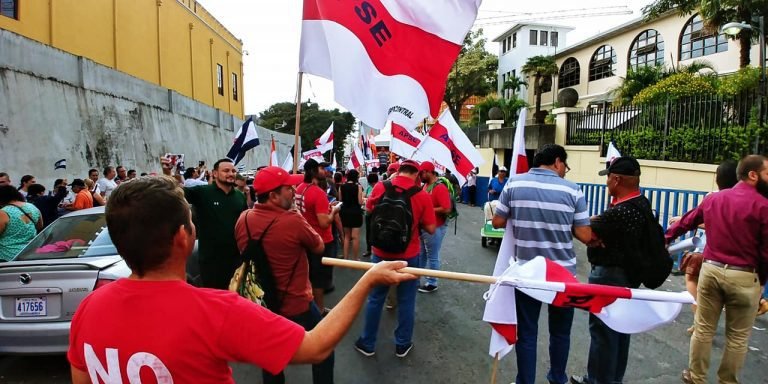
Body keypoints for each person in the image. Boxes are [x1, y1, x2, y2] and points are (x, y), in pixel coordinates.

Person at [67, 176, 416, 384]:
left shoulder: (89, 308)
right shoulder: (213, 311)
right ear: (182, 238)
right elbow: (316, 346)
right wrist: (368, 279)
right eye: (191, 221)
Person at [491, 144, 592, 384]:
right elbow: (585, 235)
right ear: (557, 162)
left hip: (527, 274)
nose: (565, 171)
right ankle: (557, 378)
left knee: (527, 333)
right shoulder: (573, 190)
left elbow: (497, 221)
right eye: (565, 166)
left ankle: (525, 380)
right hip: (562, 276)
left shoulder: (514, 183)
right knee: (560, 333)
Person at [666, 154, 768, 384]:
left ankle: (696, 377)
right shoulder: (764, 206)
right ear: (753, 175)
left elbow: (687, 221)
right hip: (744, 276)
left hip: (711, 270)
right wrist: (760, 281)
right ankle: (727, 381)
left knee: (703, 329)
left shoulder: (714, 199)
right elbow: (765, 252)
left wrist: (666, 238)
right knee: (738, 337)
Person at [235, 166, 332, 384]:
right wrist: (298, 215)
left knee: (271, 359)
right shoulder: (293, 221)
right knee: (324, 348)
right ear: (273, 196)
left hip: (260, 304)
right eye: (288, 188)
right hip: (297, 304)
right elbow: (318, 247)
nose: (294, 191)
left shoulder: (244, 219)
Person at [570, 157, 649, 384]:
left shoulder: (622, 211)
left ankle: (597, 380)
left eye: (608, 179)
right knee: (621, 329)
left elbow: (584, 230)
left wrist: (587, 227)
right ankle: (611, 379)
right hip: (626, 276)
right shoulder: (641, 204)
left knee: (603, 331)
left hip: (609, 277)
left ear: (617, 179)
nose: (606, 184)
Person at [355, 159, 437, 359]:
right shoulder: (422, 195)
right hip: (409, 256)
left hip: (380, 253)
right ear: (417, 174)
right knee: (407, 301)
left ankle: (367, 343)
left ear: (398, 171)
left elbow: (369, 210)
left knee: (375, 298)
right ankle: (402, 345)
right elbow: (431, 229)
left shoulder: (381, 187)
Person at [671, 159, 739, 335]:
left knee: (692, 280)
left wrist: (678, 223)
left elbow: (700, 221)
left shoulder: (712, 197)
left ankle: (700, 319)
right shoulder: (749, 201)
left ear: (718, 178)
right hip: (737, 260)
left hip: (707, 252)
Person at [163, 157, 247, 290]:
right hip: (210, 261)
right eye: (226, 170)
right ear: (214, 173)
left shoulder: (240, 196)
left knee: (234, 297)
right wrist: (168, 173)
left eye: (233, 171)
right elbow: (176, 193)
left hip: (235, 260)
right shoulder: (203, 192)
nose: (231, 174)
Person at [295, 159, 341, 313]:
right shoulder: (318, 193)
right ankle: (319, 310)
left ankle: (310, 307)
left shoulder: (300, 188)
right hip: (321, 241)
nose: (325, 170)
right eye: (322, 168)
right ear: (314, 171)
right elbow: (324, 222)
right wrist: (333, 212)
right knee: (319, 280)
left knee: (309, 276)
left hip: (306, 238)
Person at [417, 161, 452, 293]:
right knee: (422, 254)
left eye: (422, 173)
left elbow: (446, 208)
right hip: (425, 226)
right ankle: (416, 278)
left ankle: (432, 282)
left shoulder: (439, 187)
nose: (420, 175)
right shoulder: (425, 185)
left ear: (428, 172)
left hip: (436, 226)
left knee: (432, 255)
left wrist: (427, 210)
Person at [0, 185, 43, 261]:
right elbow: (40, 226)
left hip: (8, 256)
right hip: (30, 253)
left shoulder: (3, 212)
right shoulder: (32, 207)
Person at [339, 169, 364, 261]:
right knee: (355, 237)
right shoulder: (358, 187)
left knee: (347, 236)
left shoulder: (342, 186)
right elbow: (360, 202)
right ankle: (355, 258)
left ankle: (345, 257)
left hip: (345, 211)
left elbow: (341, 199)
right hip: (355, 212)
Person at [362, 172, 379, 258]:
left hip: (376, 214)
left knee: (375, 232)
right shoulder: (369, 188)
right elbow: (363, 196)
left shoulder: (379, 188)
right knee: (368, 232)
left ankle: (375, 250)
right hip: (368, 213)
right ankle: (369, 249)